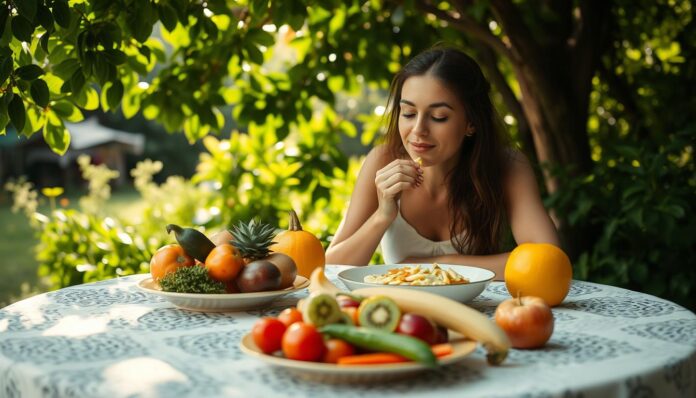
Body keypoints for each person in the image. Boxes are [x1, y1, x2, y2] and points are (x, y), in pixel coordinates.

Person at [325, 47, 560, 279]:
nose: (418, 130)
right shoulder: (382, 161)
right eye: (408, 113)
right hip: (403, 313)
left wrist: (434, 264)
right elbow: (330, 267)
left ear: (471, 122)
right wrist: (382, 215)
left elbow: (548, 259)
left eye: (439, 117)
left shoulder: (506, 165)